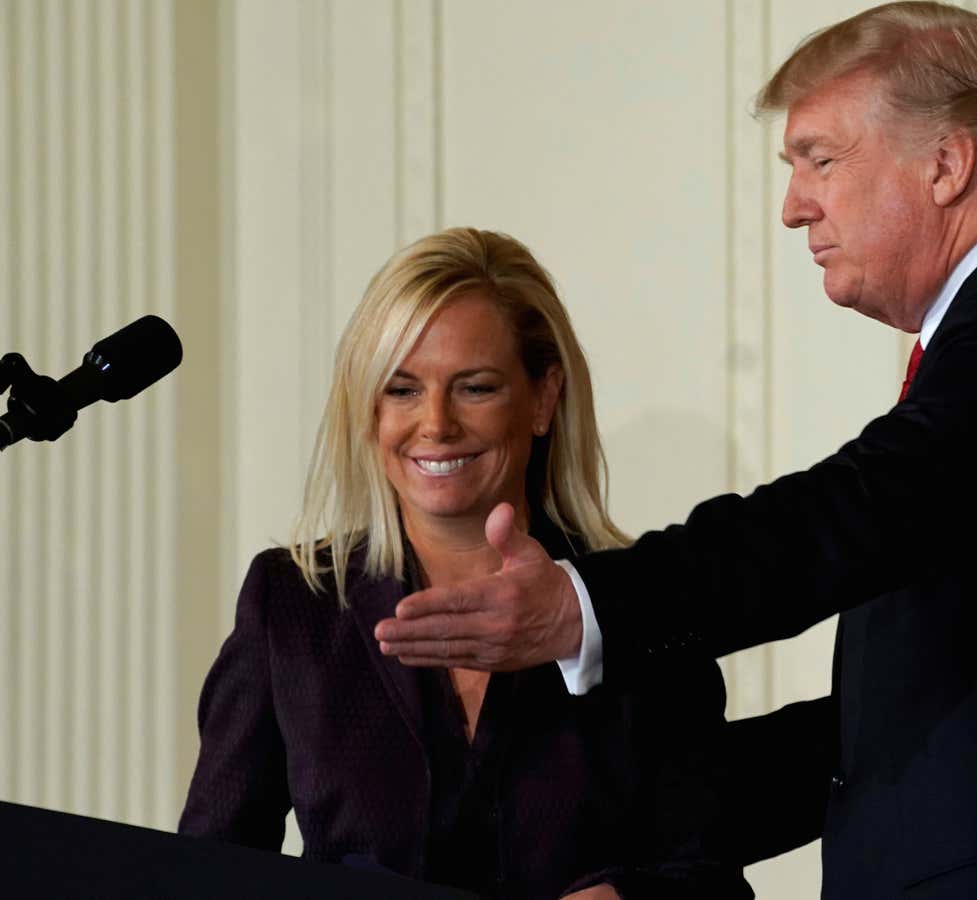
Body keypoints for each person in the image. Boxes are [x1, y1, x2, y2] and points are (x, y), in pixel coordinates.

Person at [376, 4, 977, 897]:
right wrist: (612, 844)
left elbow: (850, 510)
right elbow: (908, 725)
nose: (794, 207)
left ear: (947, 164)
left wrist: (589, 603)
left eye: (819, 159)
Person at [179, 228, 751, 900]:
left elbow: (709, 877)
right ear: (367, 408)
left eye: (474, 388)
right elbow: (205, 875)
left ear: (542, 399)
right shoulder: (293, 603)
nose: (436, 424)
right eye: (401, 390)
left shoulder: (636, 604)